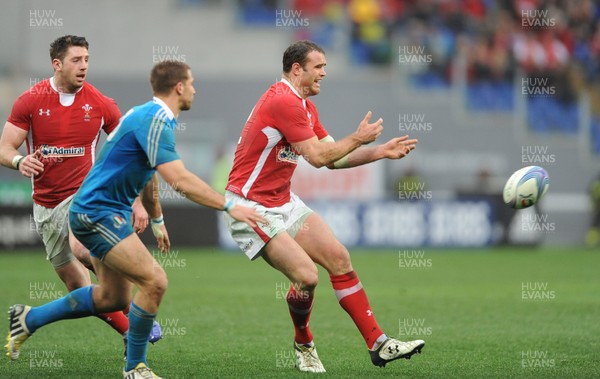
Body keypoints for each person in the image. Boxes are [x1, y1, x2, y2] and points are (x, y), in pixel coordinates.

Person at [6, 60, 265, 378]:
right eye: (192, 83)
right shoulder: (155, 119)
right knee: (154, 280)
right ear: (179, 87)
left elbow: (151, 173)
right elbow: (180, 180)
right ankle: (136, 367)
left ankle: (28, 319)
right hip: (97, 213)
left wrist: (156, 218)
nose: (196, 89)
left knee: (112, 297)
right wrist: (228, 206)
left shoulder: (151, 117)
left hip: (97, 210)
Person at [224, 40, 425, 373]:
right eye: (319, 67)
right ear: (297, 69)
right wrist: (359, 138)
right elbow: (318, 158)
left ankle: (379, 344)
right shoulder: (283, 102)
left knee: (339, 257)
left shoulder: (304, 107)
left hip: (283, 202)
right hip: (251, 208)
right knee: (307, 276)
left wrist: (379, 152)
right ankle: (304, 342)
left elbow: (335, 159)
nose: (324, 73)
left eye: (325, 67)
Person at [0, 35, 161, 348]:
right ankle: (129, 329)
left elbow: (133, 152)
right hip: (46, 206)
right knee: (78, 287)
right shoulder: (31, 100)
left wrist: (140, 203)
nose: (83, 66)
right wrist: (20, 161)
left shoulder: (99, 103)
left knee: (88, 250)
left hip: (86, 198)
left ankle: (136, 323)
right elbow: (5, 147)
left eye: (86, 59)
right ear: (57, 64)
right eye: (76, 60)